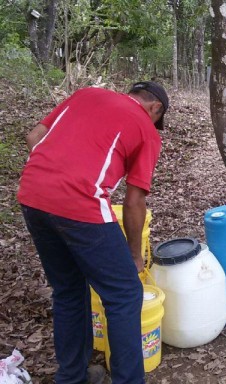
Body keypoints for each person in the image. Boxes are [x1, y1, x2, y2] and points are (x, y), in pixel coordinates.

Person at [17, 81, 169, 384]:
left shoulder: (87, 94)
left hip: (32, 193)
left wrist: (56, 174)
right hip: (80, 203)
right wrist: (135, 255)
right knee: (125, 294)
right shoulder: (146, 129)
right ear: (155, 108)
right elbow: (135, 200)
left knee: (69, 290)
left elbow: (34, 136)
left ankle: (72, 376)